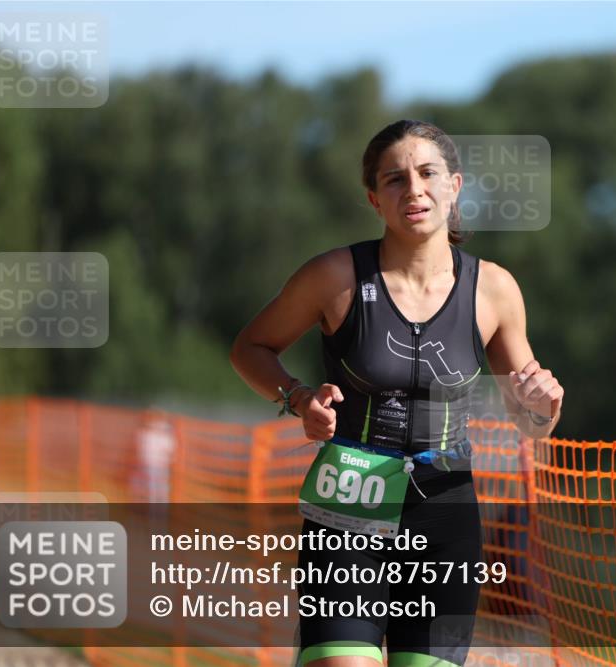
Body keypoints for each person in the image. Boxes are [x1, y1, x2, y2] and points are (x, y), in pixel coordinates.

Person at [230, 119, 564, 667]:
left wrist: (544, 406)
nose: (414, 189)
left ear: (455, 186)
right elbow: (251, 348)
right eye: (395, 179)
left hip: (446, 514)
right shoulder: (333, 277)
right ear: (374, 199)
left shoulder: (495, 289)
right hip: (349, 504)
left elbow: (530, 422)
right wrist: (298, 398)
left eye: (428, 173)